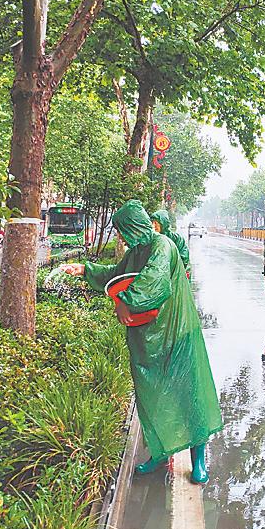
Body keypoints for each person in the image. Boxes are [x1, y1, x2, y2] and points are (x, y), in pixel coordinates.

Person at [61, 200, 222, 484]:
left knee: (189, 394)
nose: (121, 238)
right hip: (148, 337)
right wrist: (85, 270)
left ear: (134, 226)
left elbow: (153, 282)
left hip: (177, 331)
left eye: (123, 231)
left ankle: (198, 460)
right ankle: (159, 453)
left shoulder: (163, 246)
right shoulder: (136, 252)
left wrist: (125, 302)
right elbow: (115, 276)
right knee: (153, 397)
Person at [151, 209, 190, 275]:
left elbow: (184, 258)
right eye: (152, 223)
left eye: (156, 223)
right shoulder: (152, 239)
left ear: (163, 223)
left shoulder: (177, 239)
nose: (153, 226)